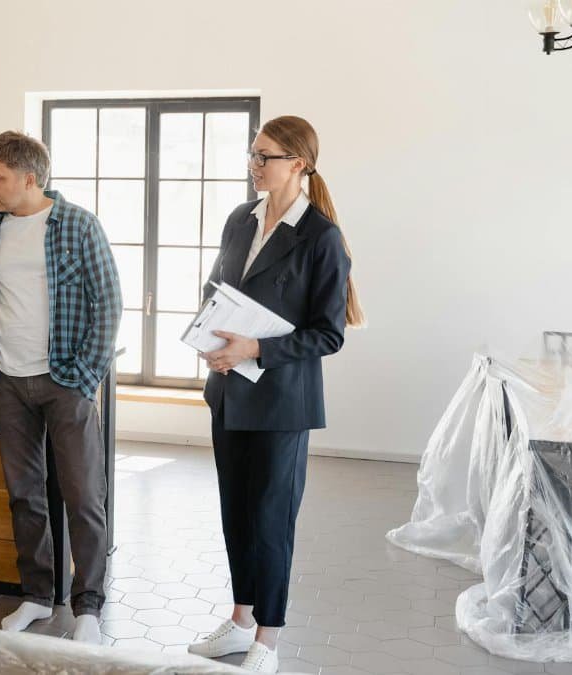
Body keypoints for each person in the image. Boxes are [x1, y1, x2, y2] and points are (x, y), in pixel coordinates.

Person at [187, 116, 364, 673]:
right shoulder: (241, 218)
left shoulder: (321, 238)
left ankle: (269, 636)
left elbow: (328, 334)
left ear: (300, 163)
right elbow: (218, 289)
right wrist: (210, 336)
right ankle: (240, 622)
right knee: (235, 512)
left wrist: (255, 351)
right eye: (253, 154)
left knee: (270, 519)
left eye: (266, 156)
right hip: (229, 393)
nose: (254, 165)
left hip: (282, 402)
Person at [0, 131, 122, 644]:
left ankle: (87, 604)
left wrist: (86, 375)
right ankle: (36, 595)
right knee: (25, 496)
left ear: (29, 178)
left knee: (82, 495)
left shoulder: (77, 225)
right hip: (8, 383)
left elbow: (109, 303)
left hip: (65, 383)